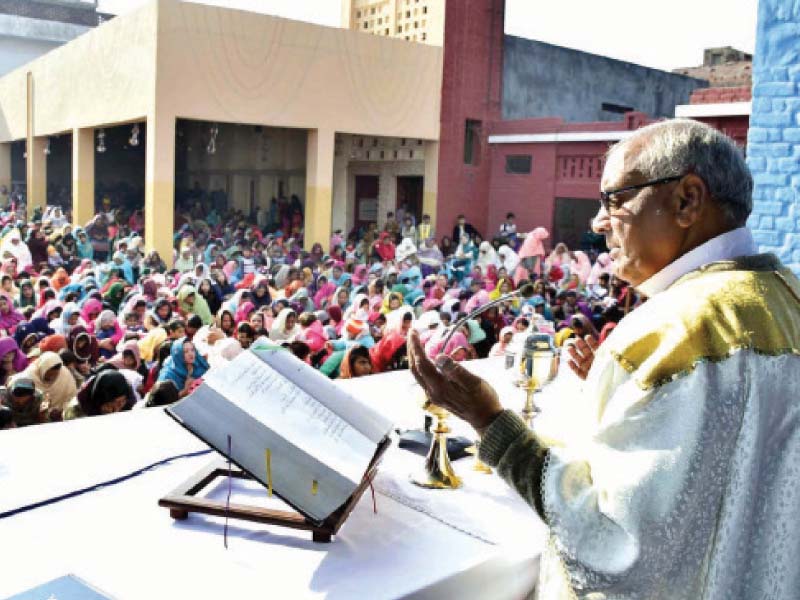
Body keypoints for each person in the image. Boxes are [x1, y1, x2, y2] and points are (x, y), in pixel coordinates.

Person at [408, 119, 800, 599]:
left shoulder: (669, 332)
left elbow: (616, 553)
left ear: (687, 200)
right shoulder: (788, 300)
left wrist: (490, 421)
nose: (598, 223)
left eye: (616, 199)